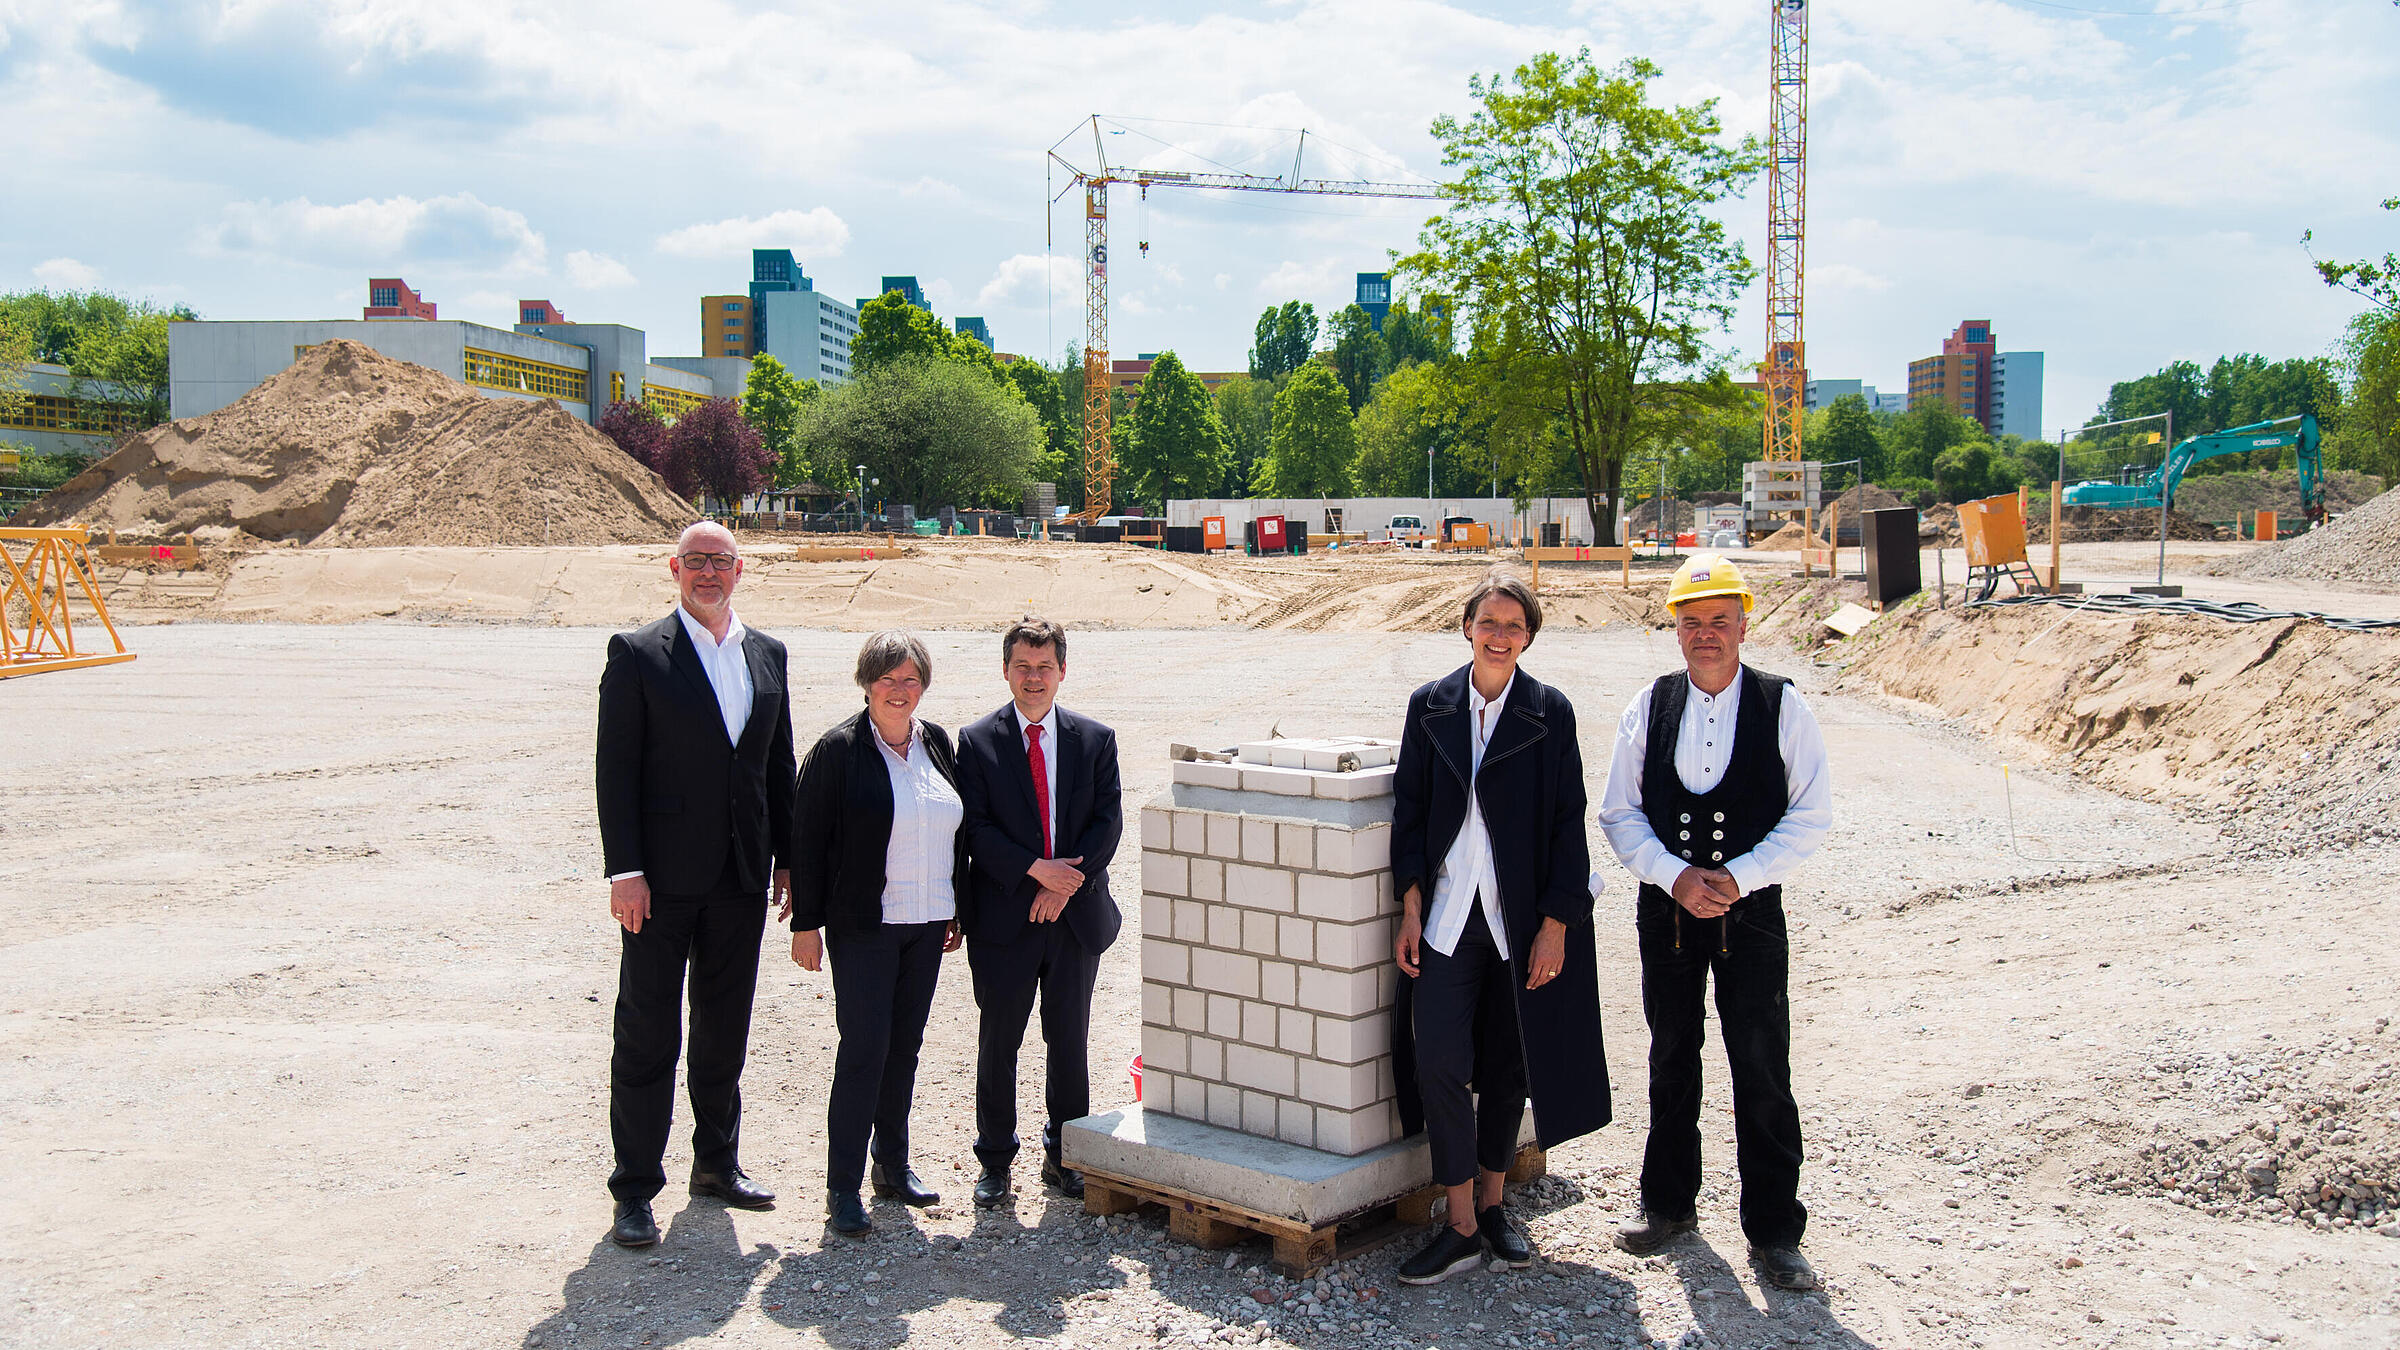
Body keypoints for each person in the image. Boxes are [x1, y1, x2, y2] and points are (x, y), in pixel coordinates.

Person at [1598, 554, 1831, 1292]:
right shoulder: (1649, 705)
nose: (1706, 635)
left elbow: (1812, 816)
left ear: (1743, 622)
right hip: (1666, 912)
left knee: (1762, 1066)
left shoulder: (1782, 705)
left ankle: (1774, 1232)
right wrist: (1675, 875)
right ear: (1676, 629)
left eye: (1719, 622)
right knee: (1672, 1057)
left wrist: (1738, 877)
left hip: (1751, 913)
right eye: (1692, 623)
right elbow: (1619, 813)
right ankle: (1668, 1207)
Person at [1389, 569, 1610, 1286]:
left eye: (1515, 626)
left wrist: (1558, 924)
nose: (1501, 635)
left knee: (1509, 1064)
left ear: (1529, 637)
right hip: (1451, 915)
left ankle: (1492, 1207)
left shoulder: (1550, 712)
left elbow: (1565, 824)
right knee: (1440, 1062)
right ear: (1466, 627)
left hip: (1516, 919)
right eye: (1490, 622)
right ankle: (1456, 1223)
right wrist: (1411, 901)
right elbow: (1412, 815)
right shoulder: (1431, 707)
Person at [594, 521, 795, 1249]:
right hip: (662, 883)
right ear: (674, 569)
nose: (709, 573)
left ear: (740, 571)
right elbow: (615, 771)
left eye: (722, 562)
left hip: (740, 880)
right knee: (648, 1034)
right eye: (697, 562)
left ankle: (715, 1164)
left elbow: (777, 767)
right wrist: (626, 871)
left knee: (723, 1032)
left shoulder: (766, 654)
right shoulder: (639, 654)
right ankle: (634, 1189)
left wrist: (787, 860)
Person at [783, 631, 968, 1237]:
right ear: (866, 683)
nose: (899, 690)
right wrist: (806, 924)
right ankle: (842, 1188)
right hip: (864, 926)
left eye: (910, 679)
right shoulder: (837, 750)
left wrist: (955, 908)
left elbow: (954, 832)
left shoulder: (935, 742)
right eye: (887, 679)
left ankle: (891, 1165)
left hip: (927, 923)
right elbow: (806, 841)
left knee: (905, 1050)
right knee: (863, 1052)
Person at [954, 615, 1123, 1208]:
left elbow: (1108, 823)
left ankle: (1066, 1154)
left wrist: (1064, 884)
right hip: (1006, 918)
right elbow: (975, 828)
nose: (1033, 678)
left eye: (1044, 667)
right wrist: (1035, 872)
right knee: (1000, 1039)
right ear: (1005, 671)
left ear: (1062, 672)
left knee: (1068, 1039)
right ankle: (995, 1159)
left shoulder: (1095, 739)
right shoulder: (975, 743)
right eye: (1022, 667)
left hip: (1073, 918)